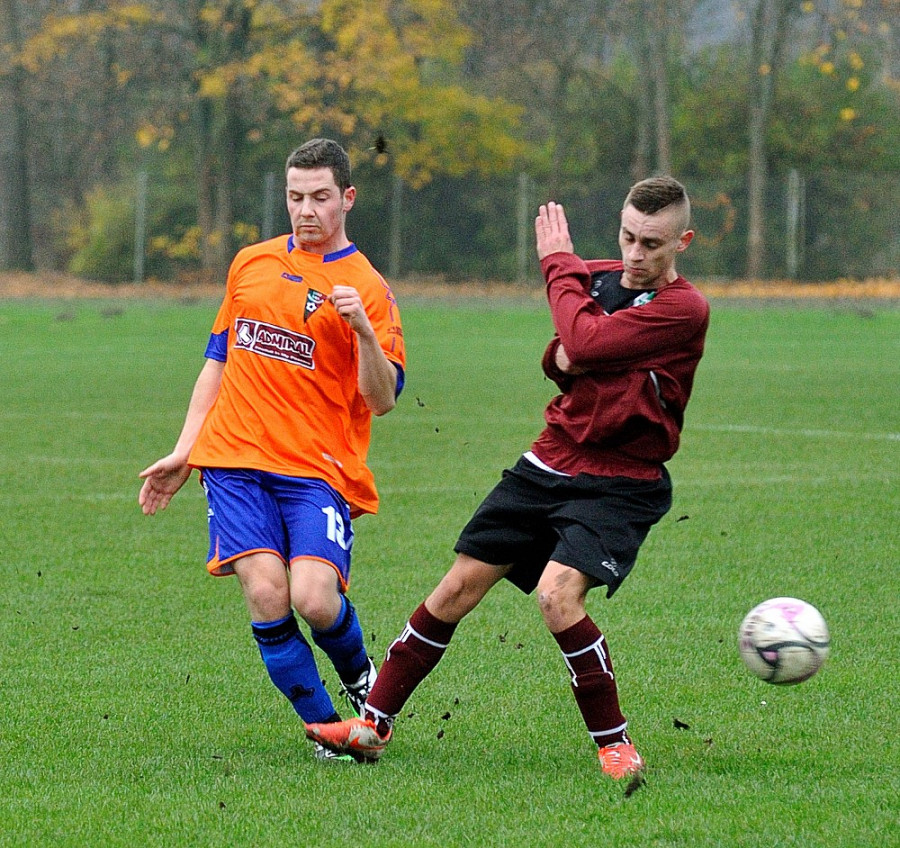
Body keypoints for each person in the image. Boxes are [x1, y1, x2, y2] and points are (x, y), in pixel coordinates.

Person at [305, 176, 709, 778]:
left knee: (556, 596)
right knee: (456, 589)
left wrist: (559, 274)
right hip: (549, 459)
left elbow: (581, 341)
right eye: (628, 237)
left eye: (651, 244)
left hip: (621, 479)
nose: (634, 254)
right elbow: (563, 354)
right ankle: (373, 725)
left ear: (682, 242)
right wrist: (567, 352)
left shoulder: (684, 309)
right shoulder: (597, 280)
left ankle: (615, 745)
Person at [139, 138, 405, 760]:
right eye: (295, 197)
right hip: (233, 459)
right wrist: (185, 451)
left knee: (314, 598)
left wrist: (364, 333)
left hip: (317, 468)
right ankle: (329, 734)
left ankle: (362, 677)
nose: (306, 210)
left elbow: (382, 398)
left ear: (348, 198)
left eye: (320, 197)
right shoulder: (250, 264)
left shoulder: (367, 288)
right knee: (265, 593)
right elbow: (217, 363)